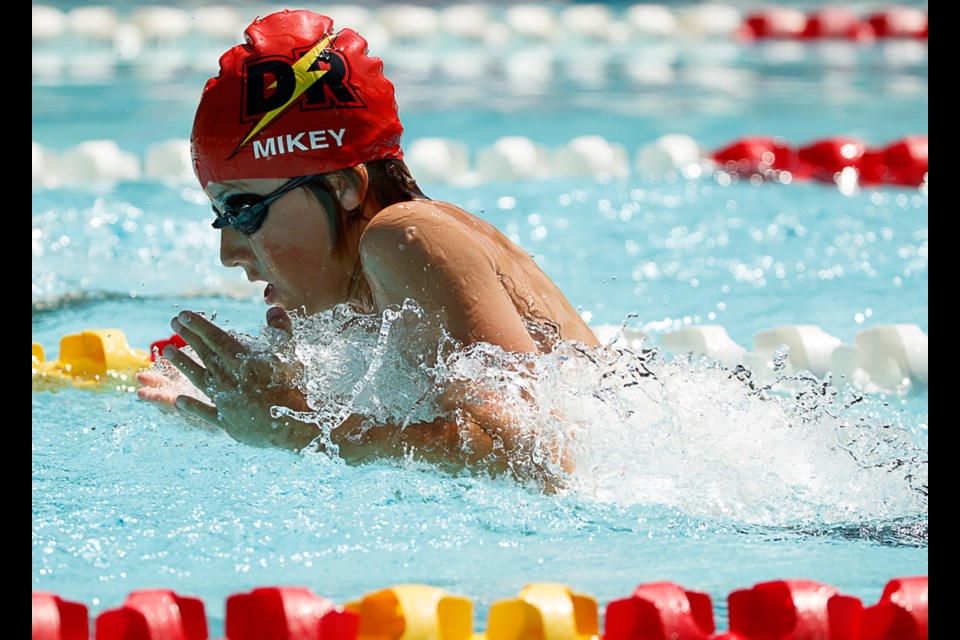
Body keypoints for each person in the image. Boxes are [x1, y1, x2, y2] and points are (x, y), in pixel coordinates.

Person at [136, 9, 601, 492]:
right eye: (221, 216)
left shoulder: (404, 235)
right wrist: (253, 403)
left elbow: (538, 456)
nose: (228, 252)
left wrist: (294, 428)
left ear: (342, 187)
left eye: (245, 211)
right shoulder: (362, 294)